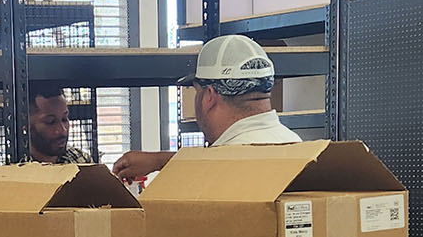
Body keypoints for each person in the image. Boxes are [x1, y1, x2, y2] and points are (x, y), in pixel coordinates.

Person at [108, 34, 299, 181]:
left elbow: (221, 161)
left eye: (196, 90)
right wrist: (157, 161)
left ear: (209, 96)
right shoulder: (296, 147)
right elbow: (220, 157)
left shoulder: (218, 174)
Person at [23, 84, 95, 166]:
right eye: (50, 122)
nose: (62, 130)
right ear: (25, 124)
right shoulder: (17, 168)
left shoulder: (80, 160)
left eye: (64, 119)